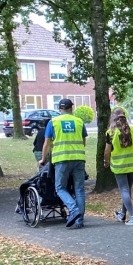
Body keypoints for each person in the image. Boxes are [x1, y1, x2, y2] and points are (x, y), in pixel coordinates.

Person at [39, 98, 88, 229]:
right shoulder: (79, 121)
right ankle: (79, 220)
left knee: (60, 188)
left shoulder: (53, 122)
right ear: (71, 108)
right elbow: (83, 141)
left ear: (59, 109)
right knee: (79, 190)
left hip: (61, 159)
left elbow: (47, 143)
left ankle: (73, 210)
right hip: (79, 159)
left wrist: (43, 159)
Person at [103, 108, 133, 226]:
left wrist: (106, 161)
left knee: (124, 190)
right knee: (128, 190)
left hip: (120, 166)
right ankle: (122, 214)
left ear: (113, 118)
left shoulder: (111, 133)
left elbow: (107, 151)